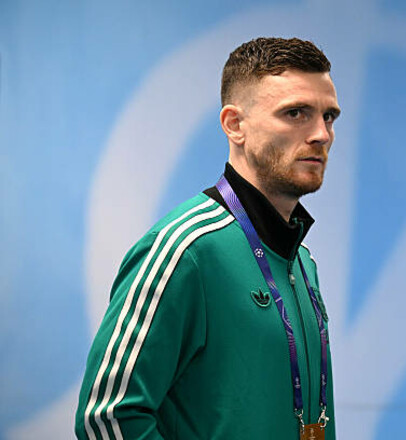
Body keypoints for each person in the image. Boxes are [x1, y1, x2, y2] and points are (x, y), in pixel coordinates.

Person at [75, 37, 340, 440]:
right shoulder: (185, 251)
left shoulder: (302, 262)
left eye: (329, 116)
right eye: (295, 113)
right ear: (235, 125)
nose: (321, 134)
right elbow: (106, 418)